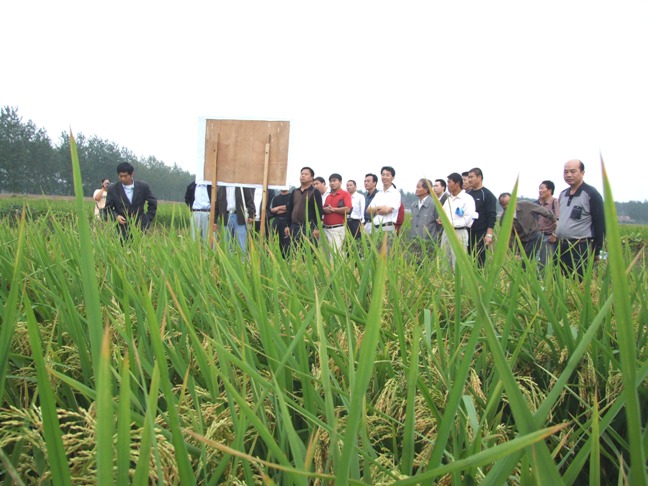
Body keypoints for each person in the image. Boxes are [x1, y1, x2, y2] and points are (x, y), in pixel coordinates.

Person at [555, 159, 605, 278]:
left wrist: (597, 250)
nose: (568, 175)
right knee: (559, 281)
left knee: (578, 282)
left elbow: (600, 224)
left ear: (582, 173)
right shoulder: (563, 194)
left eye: (573, 171)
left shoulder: (591, 194)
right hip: (561, 245)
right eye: (565, 172)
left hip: (580, 247)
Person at [105, 162, 157, 240]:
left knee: (139, 246)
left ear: (132, 174)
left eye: (125, 176)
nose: (123, 178)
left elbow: (153, 203)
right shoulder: (112, 189)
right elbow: (107, 209)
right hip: (121, 228)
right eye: (120, 176)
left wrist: (147, 219)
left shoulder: (143, 187)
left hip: (140, 226)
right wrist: (116, 216)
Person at [439, 172, 475, 270]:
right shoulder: (449, 200)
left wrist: (450, 224)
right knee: (445, 261)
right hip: (446, 232)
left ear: (457, 183)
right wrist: (441, 220)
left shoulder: (467, 199)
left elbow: (467, 218)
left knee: (458, 262)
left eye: (449, 182)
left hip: (459, 232)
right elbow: (443, 214)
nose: (448, 185)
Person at [284, 167, 323, 250]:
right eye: (302, 174)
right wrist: (287, 225)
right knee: (293, 250)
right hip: (294, 226)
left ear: (311, 178)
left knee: (308, 251)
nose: (303, 176)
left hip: (308, 227)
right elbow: (289, 209)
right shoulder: (295, 191)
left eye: (306, 174)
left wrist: (317, 228)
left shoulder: (315, 192)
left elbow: (319, 211)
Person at [508, 200, 557, 264]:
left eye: (508, 203)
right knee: (521, 261)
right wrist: (515, 253)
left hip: (534, 235)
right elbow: (510, 238)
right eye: (504, 205)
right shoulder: (505, 218)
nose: (507, 206)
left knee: (538, 238)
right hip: (521, 241)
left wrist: (554, 220)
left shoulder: (525, 205)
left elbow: (542, 210)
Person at [467, 167, 497, 267]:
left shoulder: (487, 195)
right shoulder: (467, 195)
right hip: (468, 231)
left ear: (479, 177)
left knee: (479, 260)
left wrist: (489, 234)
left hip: (481, 232)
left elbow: (491, 216)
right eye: (468, 177)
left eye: (471, 177)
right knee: (468, 259)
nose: (469, 180)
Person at [214, 185, 255, 253]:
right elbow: (217, 204)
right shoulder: (221, 187)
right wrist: (214, 220)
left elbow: (249, 199)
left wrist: (251, 214)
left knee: (242, 245)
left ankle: (243, 259)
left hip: (239, 217)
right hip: (225, 217)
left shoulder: (241, 185)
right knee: (227, 246)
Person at [322, 173, 352, 255]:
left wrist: (333, 209)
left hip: (337, 229)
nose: (332, 183)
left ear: (340, 182)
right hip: (325, 228)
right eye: (330, 181)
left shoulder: (345, 194)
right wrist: (325, 209)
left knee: (335, 254)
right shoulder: (328, 196)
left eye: (334, 181)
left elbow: (348, 209)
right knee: (325, 254)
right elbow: (323, 208)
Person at [366, 166, 401, 235]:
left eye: (387, 175)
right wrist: (379, 207)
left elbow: (386, 210)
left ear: (393, 177)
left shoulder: (396, 193)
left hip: (387, 227)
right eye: (383, 175)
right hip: (374, 227)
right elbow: (368, 210)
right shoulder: (378, 194)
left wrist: (375, 210)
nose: (384, 177)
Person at [536, 180, 560, 269]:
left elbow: (559, 220)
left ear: (549, 190)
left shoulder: (555, 202)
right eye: (539, 188)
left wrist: (554, 235)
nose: (540, 191)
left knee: (545, 264)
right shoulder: (540, 204)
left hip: (549, 238)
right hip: (539, 237)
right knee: (536, 262)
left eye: (542, 188)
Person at [269, 187, 291, 257]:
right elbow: (273, 211)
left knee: (287, 243)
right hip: (277, 222)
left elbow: (292, 208)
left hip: (287, 223)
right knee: (275, 242)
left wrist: (278, 208)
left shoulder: (291, 196)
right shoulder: (276, 198)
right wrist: (285, 209)